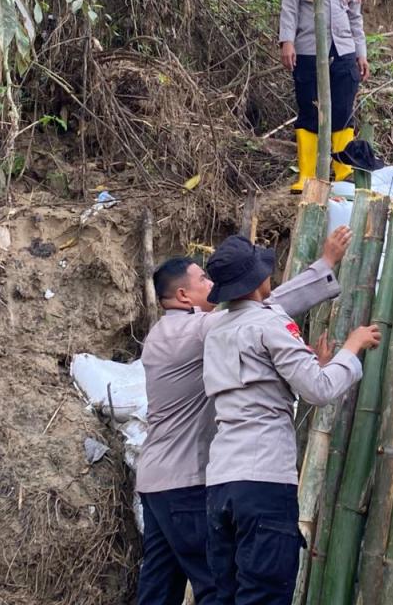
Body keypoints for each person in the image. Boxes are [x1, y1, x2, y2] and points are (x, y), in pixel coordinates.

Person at [135, 227, 352, 605]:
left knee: (158, 588)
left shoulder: (158, 335)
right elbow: (260, 306)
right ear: (183, 295)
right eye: (204, 279)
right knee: (217, 590)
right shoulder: (198, 330)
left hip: (155, 481)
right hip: (186, 480)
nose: (213, 283)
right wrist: (326, 265)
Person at [202, 235, 380, 605]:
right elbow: (319, 389)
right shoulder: (270, 325)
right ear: (256, 282)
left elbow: (258, 377)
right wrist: (352, 347)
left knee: (227, 596)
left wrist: (314, 360)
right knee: (265, 595)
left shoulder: (215, 329)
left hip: (220, 485)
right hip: (264, 483)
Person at [279, 0, 369, 192]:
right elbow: (290, 6)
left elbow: (356, 17)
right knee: (309, 109)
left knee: (343, 110)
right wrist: (286, 41)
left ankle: (342, 173)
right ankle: (307, 176)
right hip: (308, 48)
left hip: (343, 50)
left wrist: (361, 53)